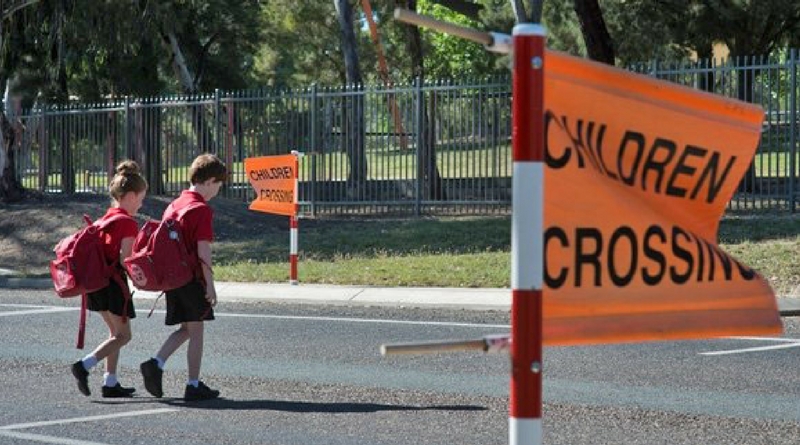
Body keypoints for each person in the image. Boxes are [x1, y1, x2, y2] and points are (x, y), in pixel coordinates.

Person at [140, 153, 226, 401]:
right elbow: (203, 250)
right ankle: (193, 384)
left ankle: (156, 363)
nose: (218, 190)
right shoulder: (200, 209)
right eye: (218, 185)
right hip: (190, 277)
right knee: (196, 330)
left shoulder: (174, 204)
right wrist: (210, 285)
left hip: (171, 277)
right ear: (209, 181)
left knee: (186, 328)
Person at [70, 160, 147, 398]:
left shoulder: (106, 218)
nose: (141, 203)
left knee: (115, 334)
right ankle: (84, 366)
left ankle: (110, 382)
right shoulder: (127, 223)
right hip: (113, 285)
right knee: (124, 336)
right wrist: (141, 278)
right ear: (131, 195)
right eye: (142, 198)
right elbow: (126, 259)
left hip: (95, 284)